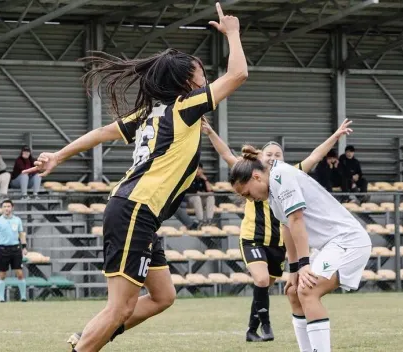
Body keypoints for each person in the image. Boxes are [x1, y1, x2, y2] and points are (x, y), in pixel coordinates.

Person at [23, 3, 247, 351]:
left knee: (162, 296)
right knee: (121, 306)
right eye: (202, 72)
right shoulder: (184, 107)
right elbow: (238, 75)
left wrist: (58, 155)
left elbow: (100, 133)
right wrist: (233, 33)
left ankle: (88, 336)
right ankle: (87, 342)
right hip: (135, 209)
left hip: (136, 210)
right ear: (188, 81)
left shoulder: (149, 112)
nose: (206, 77)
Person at [202, 119, 354, 342]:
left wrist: (336, 135)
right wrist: (210, 132)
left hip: (278, 243)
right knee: (262, 280)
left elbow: (315, 156)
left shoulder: (290, 175)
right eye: (269, 154)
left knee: (264, 285)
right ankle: (266, 326)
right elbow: (226, 153)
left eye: (277, 154)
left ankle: (252, 329)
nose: (273, 157)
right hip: (253, 238)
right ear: (259, 161)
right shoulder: (249, 176)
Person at [229, 147, 372, 352]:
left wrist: (305, 265)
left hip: (347, 241)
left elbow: (297, 219)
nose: (250, 199)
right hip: (329, 245)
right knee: (294, 291)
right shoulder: (271, 190)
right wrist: (295, 269)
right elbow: (287, 226)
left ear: (256, 177)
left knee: (308, 289)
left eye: (248, 193)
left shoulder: (281, 176)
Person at [0, 199, 28, 302]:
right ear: (2, 208)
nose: (7, 208)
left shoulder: (17, 220)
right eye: (4, 206)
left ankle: (23, 297)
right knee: (2, 274)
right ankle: (1, 298)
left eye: (8, 206)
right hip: (3, 249)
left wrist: (24, 247)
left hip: (15, 249)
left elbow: (21, 234)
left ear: (12, 208)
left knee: (19, 273)